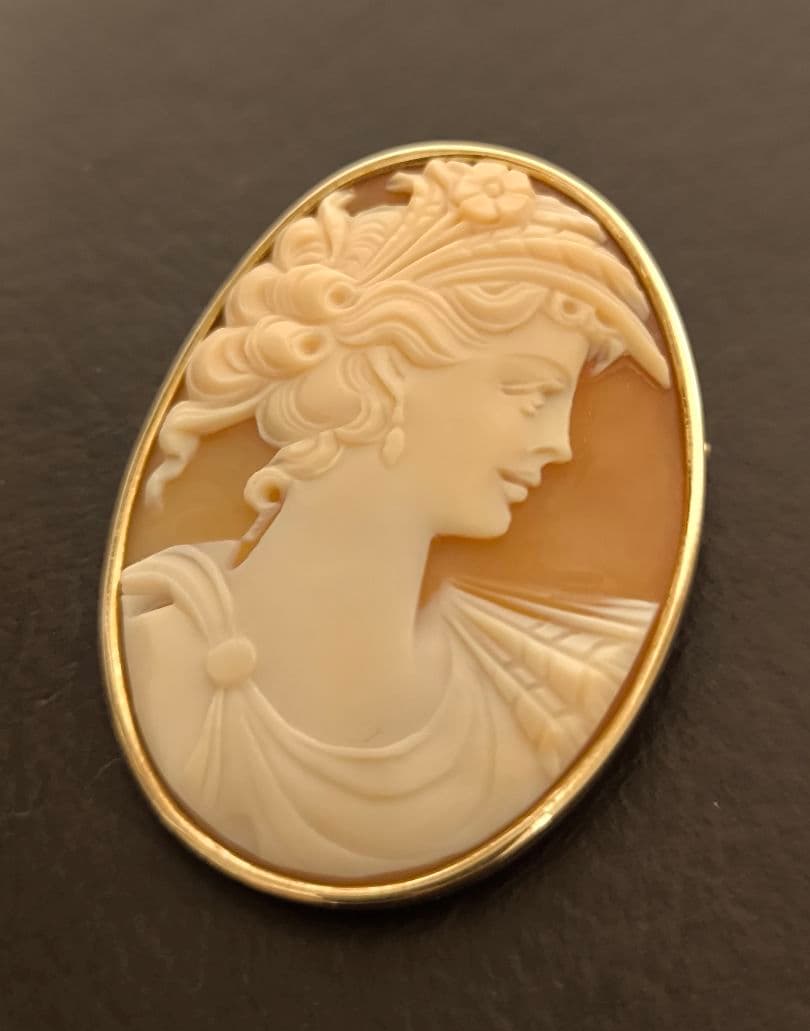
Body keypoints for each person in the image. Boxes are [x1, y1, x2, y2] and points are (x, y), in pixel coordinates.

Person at [121, 159, 670, 878]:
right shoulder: (159, 655)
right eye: (529, 393)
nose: (559, 444)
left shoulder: (565, 680)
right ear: (384, 371)